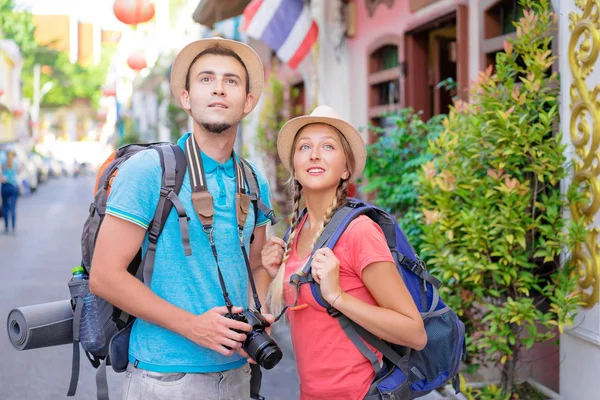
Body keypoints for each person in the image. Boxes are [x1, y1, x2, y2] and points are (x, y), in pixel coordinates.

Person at [89, 38, 275, 400]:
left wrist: (259, 312)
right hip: (164, 378)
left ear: (248, 102)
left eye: (232, 81)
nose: (219, 88)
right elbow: (104, 277)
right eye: (206, 79)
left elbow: (256, 266)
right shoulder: (150, 171)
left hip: (237, 373)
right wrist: (195, 328)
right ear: (186, 98)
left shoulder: (254, 180)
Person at [261, 105, 428, 400]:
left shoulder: (359, 232)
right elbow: (312, 320)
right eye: (304, 147)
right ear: (295, 167)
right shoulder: (297, 231)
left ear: (346, 169)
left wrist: (338, 296)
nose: (314, 154)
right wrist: (280, 276)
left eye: (328, 146)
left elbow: (414, 333)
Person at [1, 150, 20, 235]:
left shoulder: (3, 163)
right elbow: (18, 172)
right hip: (13, 186)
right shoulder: (15, 164)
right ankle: (13, 228)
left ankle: (6, 227)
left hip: (5, 186)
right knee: (12, 208)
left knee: (5, 207)